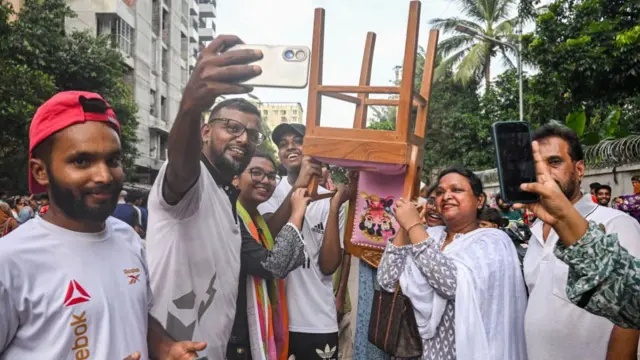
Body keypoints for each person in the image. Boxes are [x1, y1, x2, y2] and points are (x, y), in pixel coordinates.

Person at [0, 91, 204, 359]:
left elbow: (135, 317)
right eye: (81, 161)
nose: (104, 176)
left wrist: (166, 349)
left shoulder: (127, 238)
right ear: (41, 171)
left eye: (113, 160)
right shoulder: (10, 259)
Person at [145, 35, 264, 359]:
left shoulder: (228, 198)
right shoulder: (192, 184)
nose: (243, 139)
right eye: (232, 127)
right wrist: (192, 105)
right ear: (206, 131)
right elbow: (181, 166)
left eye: (253, 134)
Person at [377, 166, 528, 359]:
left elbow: (449, 284)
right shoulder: (429, 236)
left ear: (479, 200)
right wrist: (405, 227)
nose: (445, 196)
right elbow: (386, 280)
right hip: (413, 351)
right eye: (440, 192)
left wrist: (414, 225)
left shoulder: (492, 241)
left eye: (456, 190)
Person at [523, 124, 640, 360]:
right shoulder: (536, 230)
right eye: (537, 164)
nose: (543, 172)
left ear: (579, 169)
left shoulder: (615, 223)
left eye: (554, 162)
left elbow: (630, 319)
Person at [258, 123, 348, 360]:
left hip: (318, 321)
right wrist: (298, 188)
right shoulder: (267, 192)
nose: (290, 147)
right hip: (274, 321)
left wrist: (334, 206)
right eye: (283, 144)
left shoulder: (330, 200)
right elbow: (267, 238)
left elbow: (329, 266)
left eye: (298, 141)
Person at [229, 152, 308, 360]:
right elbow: (275, 265)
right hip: (234, 337)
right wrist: (297, 214)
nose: (265, 180)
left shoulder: (257, 221)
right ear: (235, 179)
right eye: (256, 173)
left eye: (272, 176)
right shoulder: (231, 221)